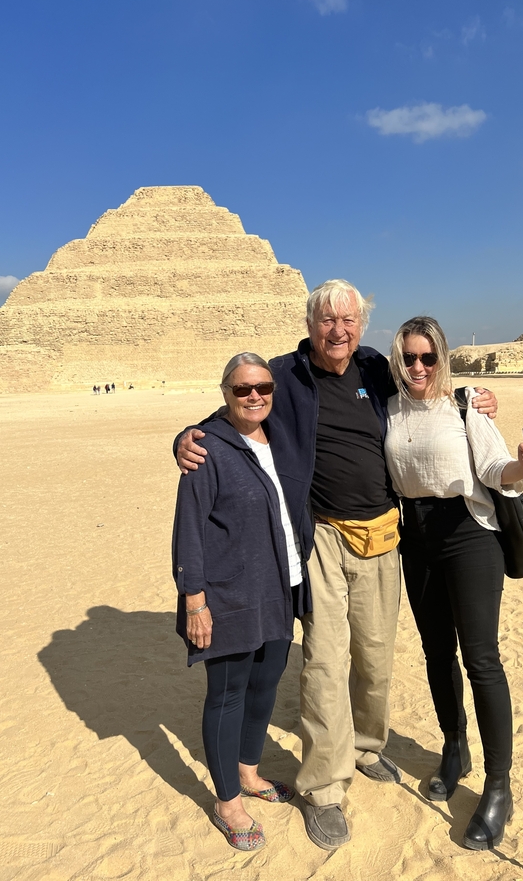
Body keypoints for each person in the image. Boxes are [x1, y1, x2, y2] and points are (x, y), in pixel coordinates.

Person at [176, 280, 498, 850]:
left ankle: (367, 747)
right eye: (327, 320)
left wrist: (476, 395)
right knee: (324, 662)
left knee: (375, 657)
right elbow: (237, 404)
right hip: (323, 536)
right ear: (310, 323)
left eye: (348, 320)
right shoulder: (287, 373)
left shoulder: (377, 367)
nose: (338, 330)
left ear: (362, 325)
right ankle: (323, 789)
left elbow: (430, 387)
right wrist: (186, 436)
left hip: (385, 535)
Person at [384, 316, 523, 850]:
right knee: (436, 652)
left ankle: (498, 786)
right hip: (417, 538)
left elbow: (496, 464)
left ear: (442, 357)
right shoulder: (386, 406)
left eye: (427, 357)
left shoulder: (464, 404)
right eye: (408, 357)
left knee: (481, 658)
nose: (417, 368)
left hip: (468, 536)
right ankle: (455, 748)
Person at [172, 352, 309, 852]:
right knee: (227, 693)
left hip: (281, 585)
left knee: (265, 684)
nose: (255, 397)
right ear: (225, 394)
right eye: (242, 389)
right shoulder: (208, 448)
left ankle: (248, 771)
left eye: (263, 388)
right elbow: (189, 524)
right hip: (229, 593)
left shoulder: (282, 439)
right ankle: (227, 799)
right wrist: (194, 600)